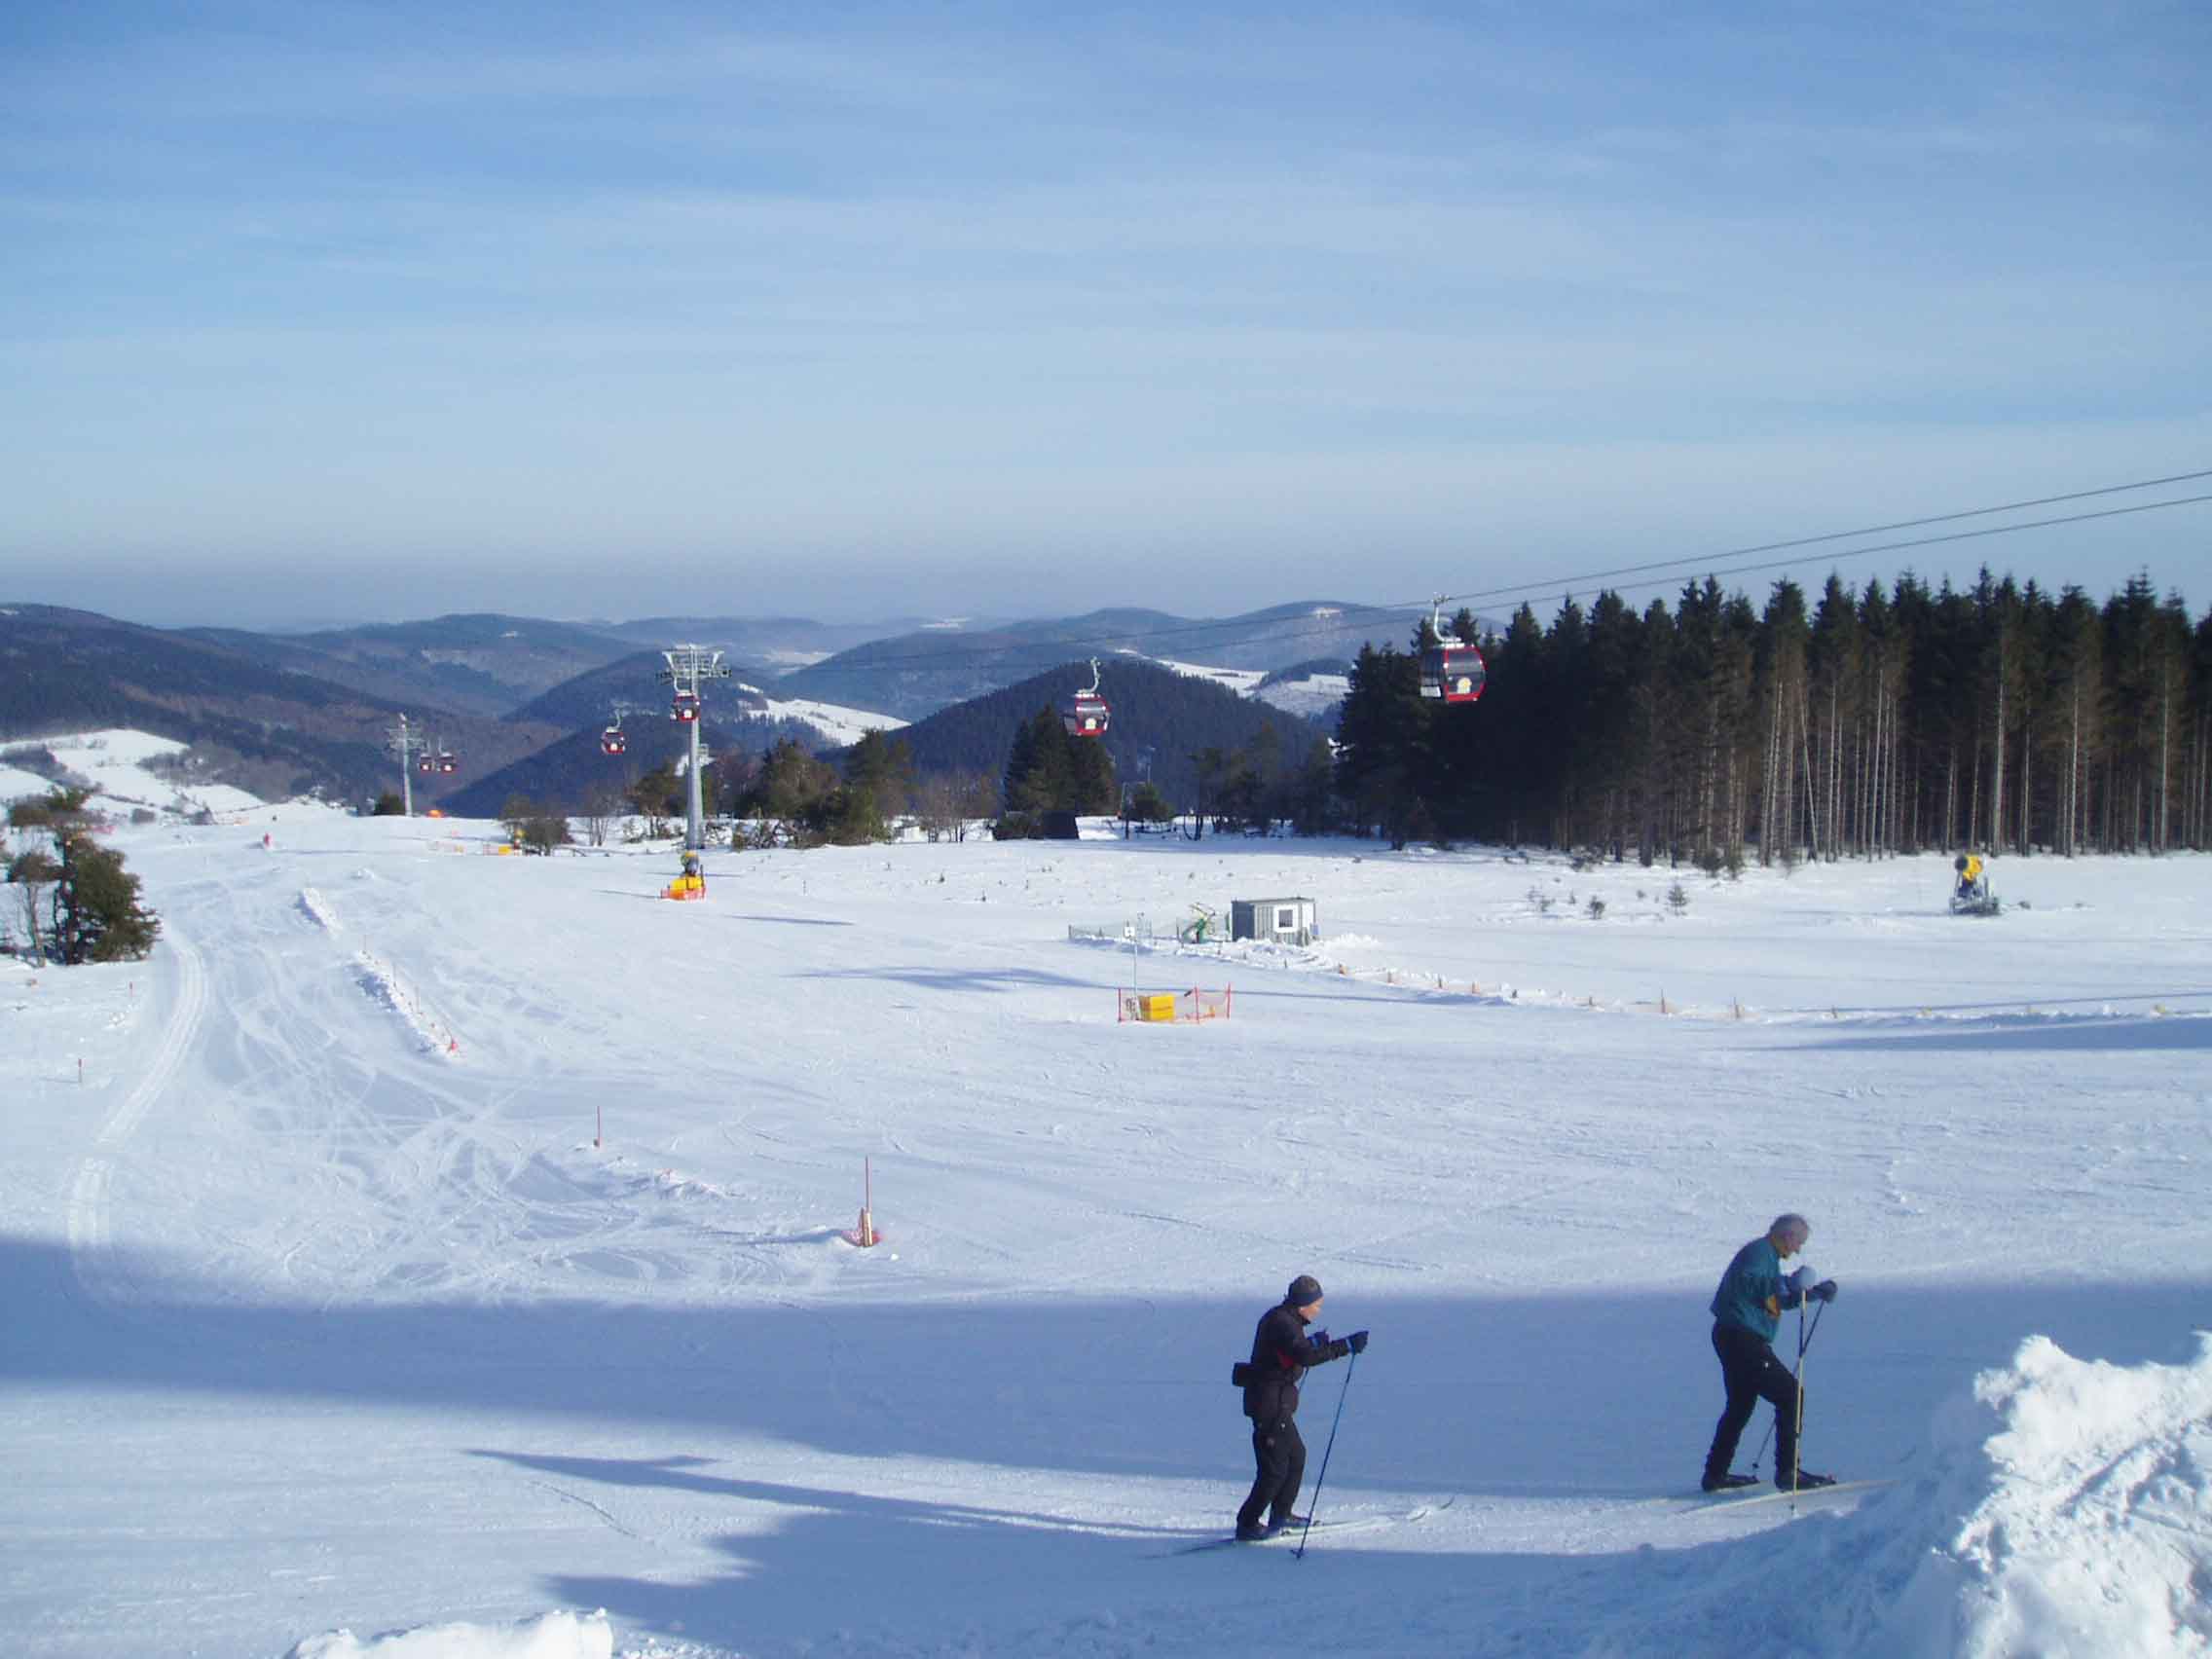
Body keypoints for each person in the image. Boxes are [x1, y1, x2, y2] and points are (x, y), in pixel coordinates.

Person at [1701, 1213, 1838, 1493]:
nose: (1797, 1249)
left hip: (1733, 1336)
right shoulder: (1759, 1253)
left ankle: (1715, 1474)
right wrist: (1788, 1284)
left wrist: (1809, 1293)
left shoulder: (1767, 1257)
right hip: (1742, 1338)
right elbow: (1751, 1283)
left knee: (1740, 1405)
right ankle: (1788, 1472)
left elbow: (1772, 1298)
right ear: (1788, 1236)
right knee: (1790, 1395)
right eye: (1799, 1242)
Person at [1235, 1274, 1368, 1540]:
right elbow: (1304, 1356)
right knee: (1274, 1470)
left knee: (1296, 1456)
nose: (1318, 1310)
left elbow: (1292, 1350)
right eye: (1316, 1305)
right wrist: (1345, 1346)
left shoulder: (1285, 1319)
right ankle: (1247, 1524)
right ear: (1302, 1304)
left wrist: (1316, 1341)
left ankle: (1281, 1514)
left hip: (1277, 1403)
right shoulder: (1282, 1323)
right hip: (1269, 1404)